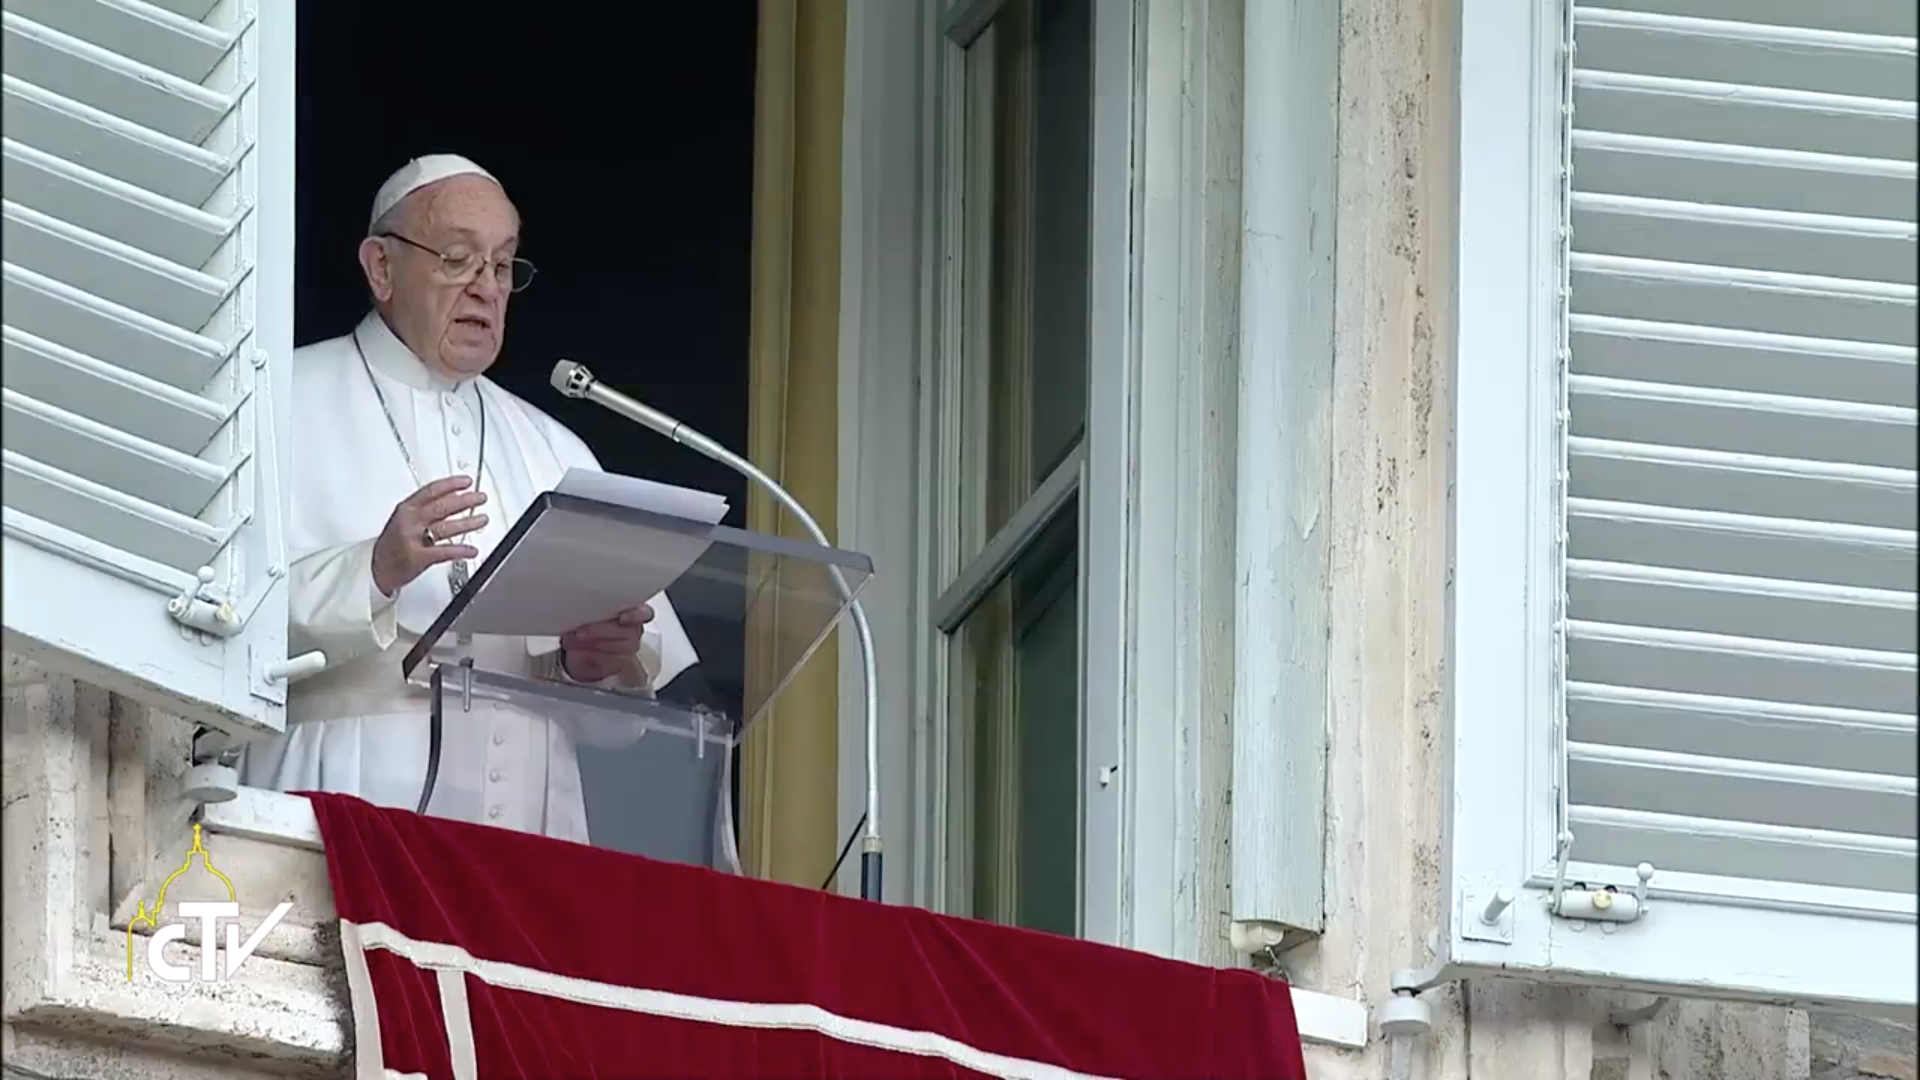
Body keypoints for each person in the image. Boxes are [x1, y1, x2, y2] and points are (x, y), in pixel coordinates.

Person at [240, 154, 699, 844]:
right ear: (381, 267)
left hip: (531, 829)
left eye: (504, 266)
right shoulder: (274, 403)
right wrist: (373, 572)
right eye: (458, 260)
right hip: (341, 797)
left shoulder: (557, 451)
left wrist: (592, 667)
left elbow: (623, 727)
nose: (486, 288)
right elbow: (214, 624)